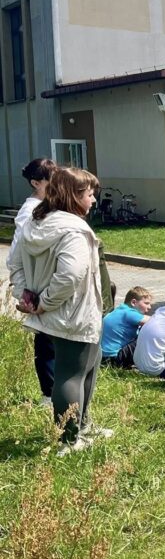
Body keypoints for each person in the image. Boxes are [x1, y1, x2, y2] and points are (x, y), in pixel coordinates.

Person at [9, 167, 108, 455]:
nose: (93, 201)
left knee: (85, 367)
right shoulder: (74, 231)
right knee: (71, 374)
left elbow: (14, 264)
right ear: (73, 195)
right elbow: (70, 275)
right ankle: (69, 439)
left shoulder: (35, 224)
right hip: (73, 313)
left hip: (53, 313)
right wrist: (43, 302)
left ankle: (81, 427)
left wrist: (26, 296)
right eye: (89, 195)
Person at [8, 157, 58, 405]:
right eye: (51, 181)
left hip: (47, 282)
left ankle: (54, 391)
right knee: (46, 340)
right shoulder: (29, 212)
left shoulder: (50, 206)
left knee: (51, 338)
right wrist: (22, 292)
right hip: (36, 286)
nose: (57, 185)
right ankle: (49, 394)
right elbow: (15, 256)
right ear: (35, 182)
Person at [100, 286, 152, 368]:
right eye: (146, 303)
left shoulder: (118, 310)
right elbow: (155, 322)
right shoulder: (128, 313)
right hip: (115, 358)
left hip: (103, 358)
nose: (149, 307)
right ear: (134, 302)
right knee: (149, 334)